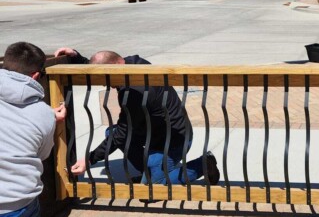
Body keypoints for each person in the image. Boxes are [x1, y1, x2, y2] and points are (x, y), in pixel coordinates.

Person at [54, 48, 220, 186]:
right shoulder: (133, 64)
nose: (104, 84)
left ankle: (204, 165)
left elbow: (122, 133)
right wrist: (77, 57)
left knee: (154, 186)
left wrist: (89, 159)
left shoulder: (134, 93)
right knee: (111, 134)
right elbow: (104, 63)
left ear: (114, 68)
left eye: (105, 78)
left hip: (173, 141)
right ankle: (149, 172)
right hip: (151, 133)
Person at [1, 42, 66, 217]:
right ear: (36, 75)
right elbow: (43, 154)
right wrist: (48, 119)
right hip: (16, 201)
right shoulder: (43, 114)